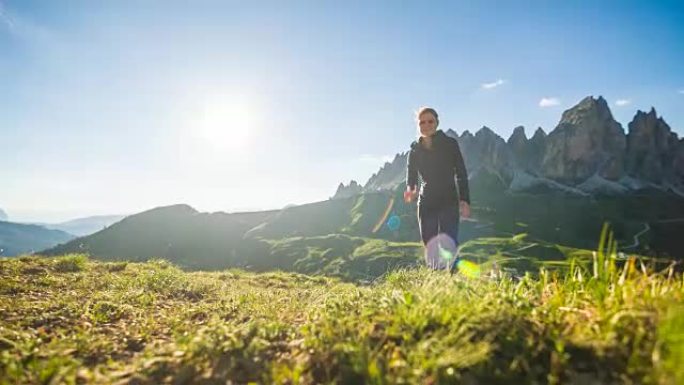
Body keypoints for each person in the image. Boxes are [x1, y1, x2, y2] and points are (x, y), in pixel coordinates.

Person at [404, 107, 470, 270]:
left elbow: (461, 173)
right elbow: (411, 175)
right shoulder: (414, 150)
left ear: (437, 123)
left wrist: (464, 200)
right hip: (426, 201)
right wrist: (411, 190)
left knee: (450, 242)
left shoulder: (450, 144)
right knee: (429, 242)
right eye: (422, 122)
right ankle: (434, 279)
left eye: (430, 121)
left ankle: (454, 279)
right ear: (418, 125)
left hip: (448, 200)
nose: (426, 125)